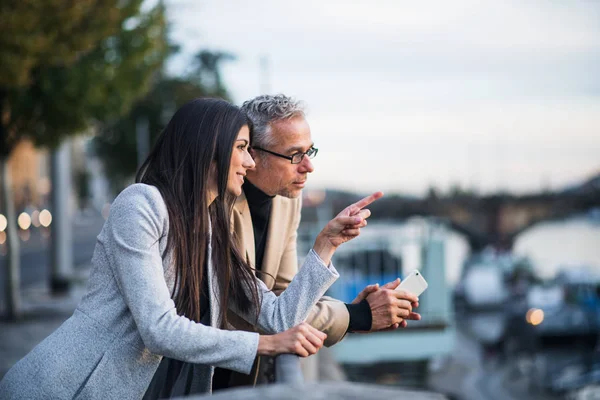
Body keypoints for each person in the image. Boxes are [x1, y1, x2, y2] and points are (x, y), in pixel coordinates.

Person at [0, 98, 380, 399]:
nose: (249, 163)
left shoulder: (210, 229)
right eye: (243, 148)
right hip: (68, 386)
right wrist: (265, 345)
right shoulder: (140, 205)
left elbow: (277, 317)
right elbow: (159, 329)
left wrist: (325, 245)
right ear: (209, 149)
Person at [222, 94, 421, 386]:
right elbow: (277, 317)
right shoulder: (217, 209)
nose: (308, 167)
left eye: (309, 151)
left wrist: (356, 313)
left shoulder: (288, 200)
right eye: (294, 155)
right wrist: (359, 315)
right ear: (252, 154)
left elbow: (287, 295)